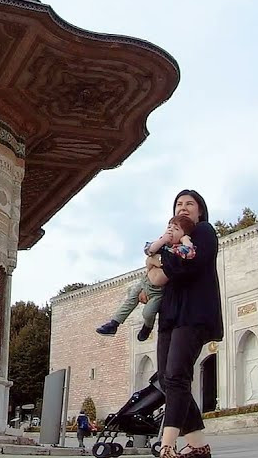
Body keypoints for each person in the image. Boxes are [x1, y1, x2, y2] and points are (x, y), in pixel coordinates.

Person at [153, 189, 222, 458]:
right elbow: (155, 274)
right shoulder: (172, 241)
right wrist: (160, 262)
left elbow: (187, 266)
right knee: (165, 378)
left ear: (200, 210)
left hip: (194, 314)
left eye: (189, 203)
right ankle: (198, 446)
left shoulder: (204, 231)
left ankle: (167, 446)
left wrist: (160, 263)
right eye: (178, 204)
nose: (183, 207)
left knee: (178, 376)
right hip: (170, 316)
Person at [96, 214, 197, 341]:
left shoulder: (178, 249)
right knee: (130, 300)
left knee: (148, 313)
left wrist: (185, 240)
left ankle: (147, 326)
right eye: (169, 226)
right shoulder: (161, 244)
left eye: (176, 229)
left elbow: (189, 253)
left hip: (157, 292)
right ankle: (114, 323)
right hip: (145, 282)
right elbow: (148, 250)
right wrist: (162, 241)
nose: (170, 230)